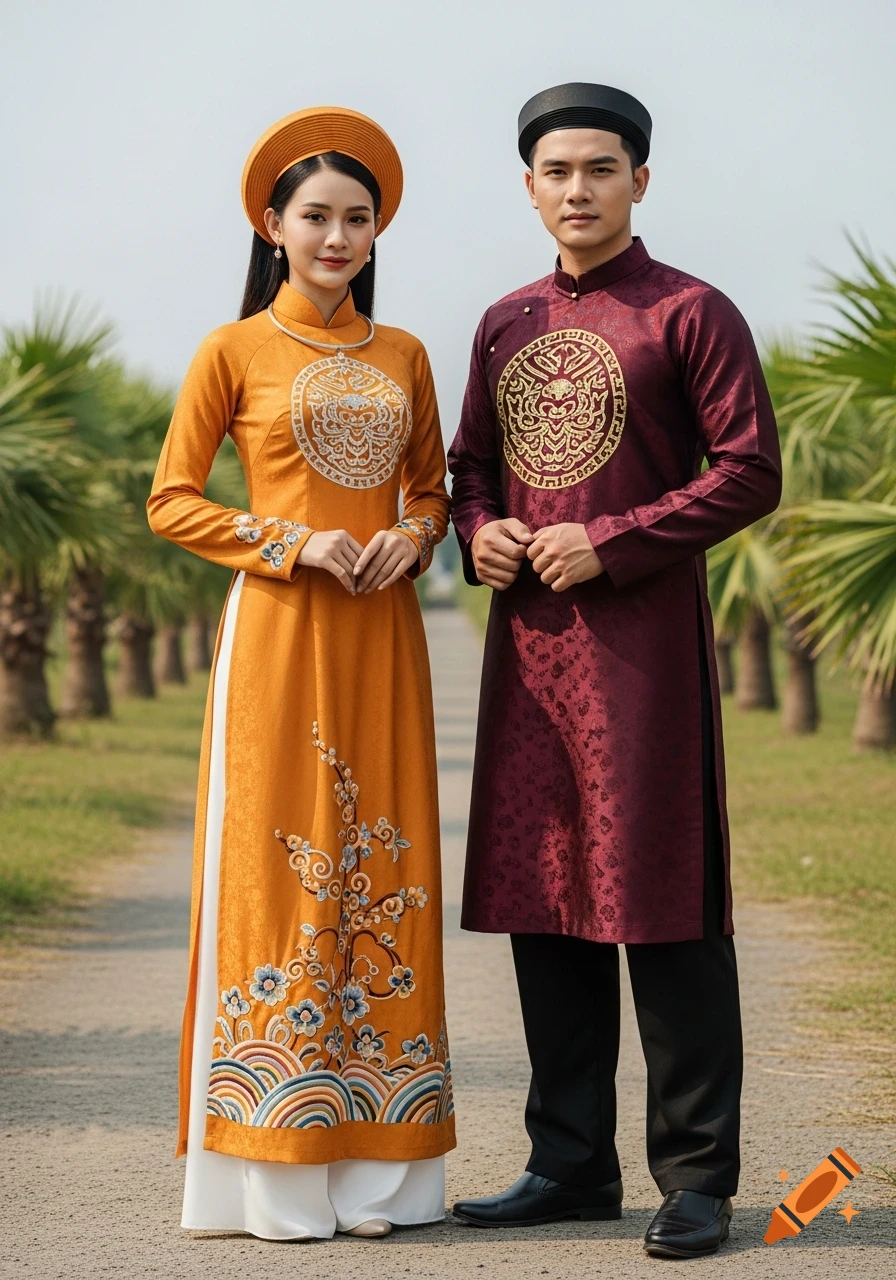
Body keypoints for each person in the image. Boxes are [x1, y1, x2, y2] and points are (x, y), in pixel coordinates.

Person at [448, 82, 781, 1259]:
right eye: (555, 171)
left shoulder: (689, 311)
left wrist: (612, 538)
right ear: (527, 186)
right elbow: (469, 467)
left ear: (640, 179)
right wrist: (477, 531)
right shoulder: (500, 322)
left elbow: (747, 469)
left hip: (641, 655)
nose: (576, 189)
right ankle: (567, 1160)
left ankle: (695, 1175)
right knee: (547, 899)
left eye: (599, 168)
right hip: (529, 655)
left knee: (663, 902)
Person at [148, 106, 454, 1241]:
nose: (336, 235)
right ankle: (273, 1171)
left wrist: (412, 537)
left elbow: (431, 491)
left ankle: (381, 1175)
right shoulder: (229, 352)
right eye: (315, 215)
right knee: (280, 873)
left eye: (356, 218)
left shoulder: (406, 354)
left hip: (383, 638)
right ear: (272, 226)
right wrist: (288, 540)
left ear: (376, 233)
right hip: (277, 631)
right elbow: (171, 498)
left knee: (388, 869)